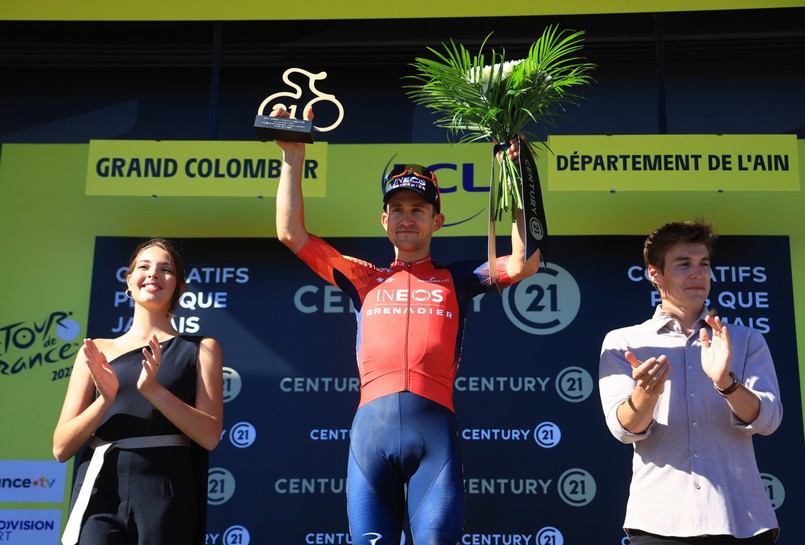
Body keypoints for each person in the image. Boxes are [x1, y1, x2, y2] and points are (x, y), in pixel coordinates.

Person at [273, 106, 542, 544]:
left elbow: (523, 262)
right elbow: (291, 233)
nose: (407, 217)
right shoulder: (362, 276)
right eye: (397, 209)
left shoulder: (458, 278)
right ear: (384, 221)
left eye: (418, 208)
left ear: (437, 220)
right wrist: (292, 156)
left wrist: (513, 175)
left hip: (433, 433)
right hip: (370, 439)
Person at [598, 219, 783, 544]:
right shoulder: (623, 342)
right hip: (660, 522)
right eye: (683, 264)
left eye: (703, 264)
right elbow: (622, 429)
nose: (698, 273)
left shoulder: (745, 339)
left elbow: (768, 420)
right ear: (655, 273)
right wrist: (645, 394)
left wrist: (726, 382)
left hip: (742, 520)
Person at [53, 237, 224, 545]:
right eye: (144, 266)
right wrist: (105, 400)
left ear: (180, 287)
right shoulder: (95, 351)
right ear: (129, 281)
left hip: (166, 494)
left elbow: (209, 435)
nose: (153, 274)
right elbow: (61, 447)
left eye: (166, 269)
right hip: (100, 491)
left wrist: (154, 391)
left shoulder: (201, 349)